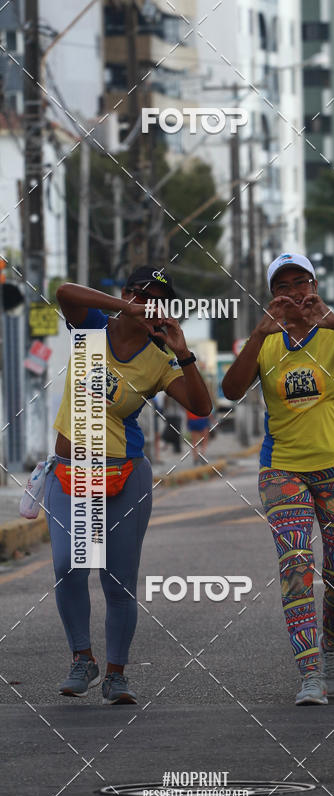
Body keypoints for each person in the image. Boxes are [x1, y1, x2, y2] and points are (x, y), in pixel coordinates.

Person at [222, 252, 334, 705]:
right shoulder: (264, 340)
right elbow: (230, 390)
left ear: (315, 285)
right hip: (281, 469)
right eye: (284, 287)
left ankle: (332, 653)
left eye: (301, 282)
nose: (295, 293)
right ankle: (308, 674)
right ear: (272, 296)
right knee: (296, 565)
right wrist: (258, 334)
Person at [46, 266, 212, 704]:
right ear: (125, 293)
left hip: (124, 474)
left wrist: (183, 351)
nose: (151, 305)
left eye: (160, 300)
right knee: (67, 566)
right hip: (69, 469)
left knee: (117, 580)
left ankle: (117, 674)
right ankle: (83, 658)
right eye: (144, 295)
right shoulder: (90, 328)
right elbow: (64, 291)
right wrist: (127, 307)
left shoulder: (159, 360)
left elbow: (201, 405)